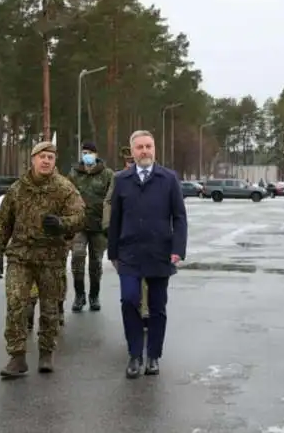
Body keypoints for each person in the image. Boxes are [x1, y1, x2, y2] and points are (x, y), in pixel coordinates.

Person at [0, 140, 85, 378]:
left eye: (50, 158)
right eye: (41, 156)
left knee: (50, 308)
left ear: (55, 162)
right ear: (32, 159)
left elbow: (80, 216)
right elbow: (3, 222)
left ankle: (46, 352)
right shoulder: (17, 189)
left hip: (51, 257)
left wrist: (62, 224)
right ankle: (17, 356)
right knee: (16, 303)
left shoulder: (64, 188)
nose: (46, 161)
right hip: (20, 256)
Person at [108, 130, 188, 379]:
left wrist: (177, 248)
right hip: (129, 253)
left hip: (159, 252)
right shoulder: (122, 180)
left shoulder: (169, 179)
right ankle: (134, 355)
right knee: (129, 301)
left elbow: (179, 217)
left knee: (157, 306)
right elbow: (115, 219)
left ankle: (153, 355)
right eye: (140, 147)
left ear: (155, 149)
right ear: (132, 152)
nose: (145, 151)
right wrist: (113, 251)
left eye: (149, 146)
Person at [103, 146, 151, 328]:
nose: (131, 163)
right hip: (125, 236)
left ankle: (145, 311)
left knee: (146, 276)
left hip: (148, 236)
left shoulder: (154, 176)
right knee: (131, 279)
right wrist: (108, 226)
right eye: (128, 160)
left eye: (134, 160)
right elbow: (109, 201)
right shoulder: (119, 179)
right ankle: (135, 307)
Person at [68, 142, 114, 312]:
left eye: (89, 152)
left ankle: (94, 296)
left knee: (96, 263)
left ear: (96, 154)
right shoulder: (74, 173)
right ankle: (79, 295)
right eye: (83, 152)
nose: (86, 155)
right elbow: (66, 195)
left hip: (99, 226)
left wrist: (109, 223)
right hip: (79, 224)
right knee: (77, 258)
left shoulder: (107, 174)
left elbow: (111, 199)